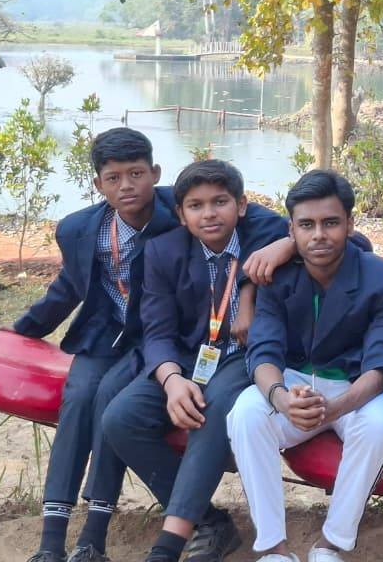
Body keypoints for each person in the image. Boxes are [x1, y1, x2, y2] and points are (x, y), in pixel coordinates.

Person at [99, 160, 289, 562]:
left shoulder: (266, 233)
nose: (209, 214)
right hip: (189, 358)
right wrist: (171, 380)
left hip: (246, 357)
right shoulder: (164, 251)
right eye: (196, 205)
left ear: (241, 205)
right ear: (181, 215)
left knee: (213, 408)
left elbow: (348, 242)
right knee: (120, 418)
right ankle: (209, 520)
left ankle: (168, 545)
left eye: (220, 202)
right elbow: (157, 330)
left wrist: (283, 248)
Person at [12, 128, 181, 562]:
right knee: (79, 395)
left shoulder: (181, 212)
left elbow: (250, 218)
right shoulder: (80, 229)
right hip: (104, 335)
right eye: (113, 178)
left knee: (109, 399)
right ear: (98, 184)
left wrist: (282, 243)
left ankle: (93, 537)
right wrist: (22, 331)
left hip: (159, 338)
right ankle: (51, 542)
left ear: (155, 173)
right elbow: (69, 286)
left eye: (136, 174)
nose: (127, 186)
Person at [227, 170, 383, 562]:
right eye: (306, 225)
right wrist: (281, 398)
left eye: (330, 223)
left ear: (350, 224)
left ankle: (331, 543)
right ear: (291, 231)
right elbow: (264, 351)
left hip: (352, 389)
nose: (319, 235)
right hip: (292, 382)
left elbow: (380, 363)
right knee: (246, 413)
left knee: (378, 424)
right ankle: (273, 546)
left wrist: (334, 408)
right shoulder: (278, 275)